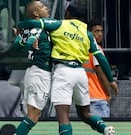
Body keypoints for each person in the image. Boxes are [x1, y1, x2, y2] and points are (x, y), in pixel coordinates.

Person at [17, 1, 119, 134]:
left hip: (64, 71)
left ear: (68, 13)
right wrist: (111, 80)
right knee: (85, 113)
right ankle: (105, 129)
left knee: (63, 116)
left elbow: (34, 23)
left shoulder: (59, 24)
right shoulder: (86, 32)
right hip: (81, 74)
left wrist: (20, 27)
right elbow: (101, 57)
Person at [13, 1, 53, 135]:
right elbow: (31, 40)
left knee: (33, 116)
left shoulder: (27, 28)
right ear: (36, 13)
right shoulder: (38, 28)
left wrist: (19, 38)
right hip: (39, 74)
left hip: (34, 73)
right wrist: (30, 45)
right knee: (33, 116)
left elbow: (15, 45)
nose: (46, 8)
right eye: (42, 7)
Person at [83, 19, 112, 118]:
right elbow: (100, 73)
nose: (100, 34)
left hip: (85, 97)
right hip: (98, 97)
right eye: (96, 31)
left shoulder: (82, 49)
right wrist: (108, 93)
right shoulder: (96, 50)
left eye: (101, 31)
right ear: (89, 33)